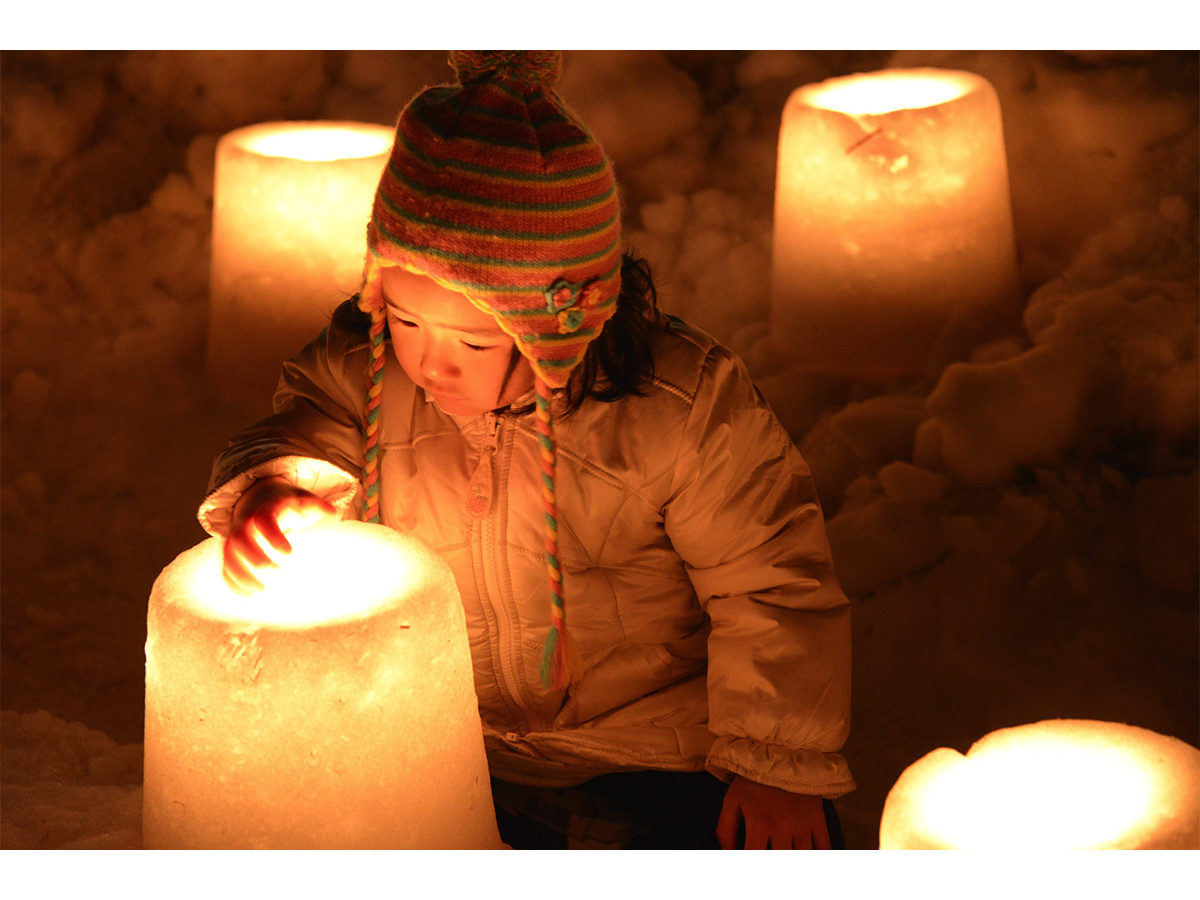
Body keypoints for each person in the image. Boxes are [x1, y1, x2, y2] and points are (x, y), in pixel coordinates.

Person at [199, 51, 854, 849]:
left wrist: (774, 764)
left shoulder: (680, 411)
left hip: (650, 751)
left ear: (559, 322)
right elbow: (311, 416)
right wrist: (282, 484)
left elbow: (771, 581)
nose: (428, 363)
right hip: (445, 745)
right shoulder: (365, 371)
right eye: (405, 321)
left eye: (473, 341)